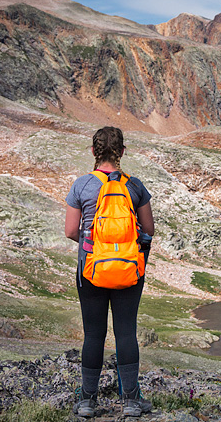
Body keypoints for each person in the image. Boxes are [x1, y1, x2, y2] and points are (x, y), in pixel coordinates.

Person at [65, 126, 154, 417]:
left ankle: (88, 401)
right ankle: (131, 400)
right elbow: (149, 230)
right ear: (122, 152)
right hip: (129, 270)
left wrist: (98, 247)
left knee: (94, 334)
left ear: (93, 152)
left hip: (90, 270)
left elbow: (69, 231)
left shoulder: (81, 185)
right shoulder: (135, 186)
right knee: (126, 332)